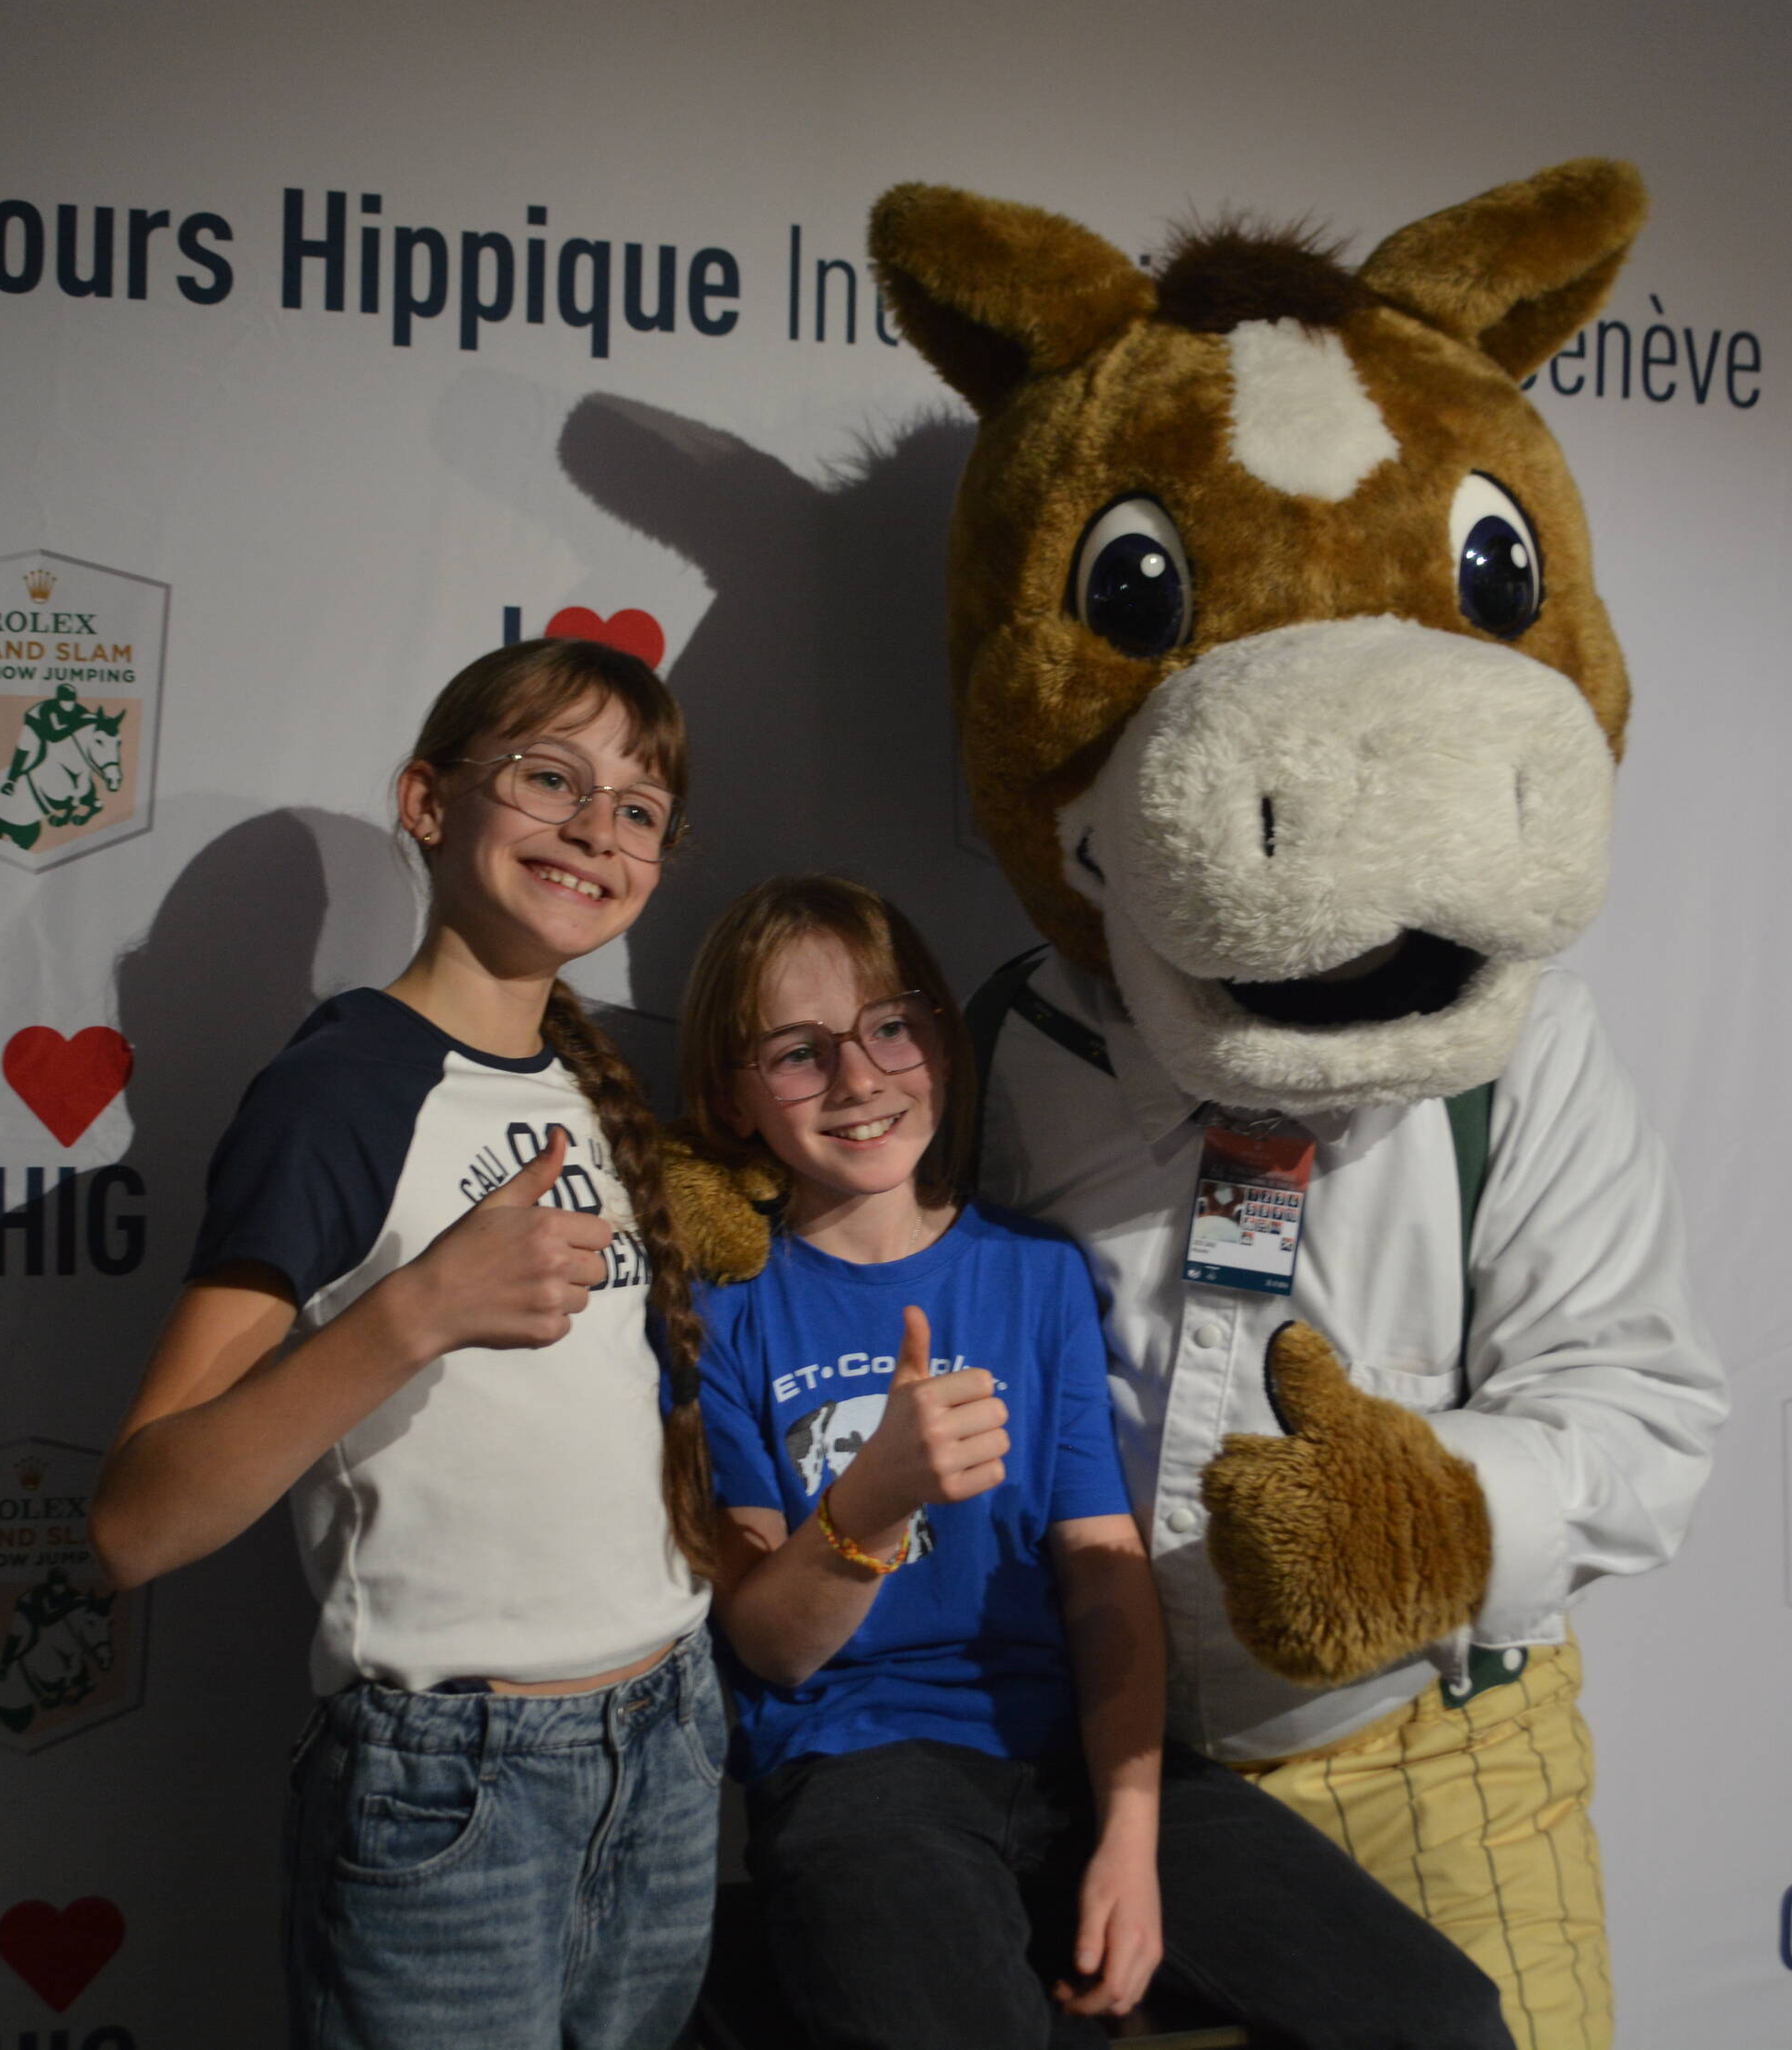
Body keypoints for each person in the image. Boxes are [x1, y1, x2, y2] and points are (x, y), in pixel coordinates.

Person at [680, 877, 1515, 2050]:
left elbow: (1102, 1576)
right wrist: (876, 1496)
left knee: (1443, 2016)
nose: (859, 1077)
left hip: (1072, 1752)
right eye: (797, 1053)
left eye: (890, 1026)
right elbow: (771, 1645)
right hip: (857, 1765)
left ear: (940, 1042)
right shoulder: (724, 1311)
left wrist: (1130, 1839)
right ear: (732, 1097)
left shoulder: (1036, 1272)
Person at [87, 639, 723, 2050]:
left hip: (670, 1735)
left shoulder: (606, 1081)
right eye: (548, 777)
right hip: (454, 1782)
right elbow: (134, 1523)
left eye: (635, 806)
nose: (593, 827)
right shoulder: (336, 1092)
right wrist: (413, 1310)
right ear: (428, 802)